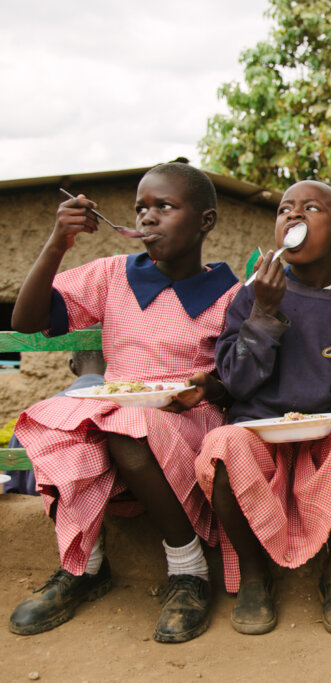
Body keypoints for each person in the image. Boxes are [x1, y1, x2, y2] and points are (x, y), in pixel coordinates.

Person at [8, 162, 239, 643]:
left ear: (206, 221)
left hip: (187, 415)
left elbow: (237, 379)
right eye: (141, 208)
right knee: (54, 429)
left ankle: (188, 569)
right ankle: (84, 567)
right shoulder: (114, 275)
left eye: (165, 206)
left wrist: (208, 386)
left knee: (125, 430)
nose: (149, 217)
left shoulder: (231, 294)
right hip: (115, 407)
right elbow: (28, 320)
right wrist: (58, 243)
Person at [195, 180, 331, 636]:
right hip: (259, 437)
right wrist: (264, 311)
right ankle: (254, 578)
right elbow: (237, 381)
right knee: (222, 443)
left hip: (326, 444)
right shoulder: (250, 296)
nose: (293, 216)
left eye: (310, 209)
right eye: (285, 209)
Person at [3, 348, 105, 495]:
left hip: (41, 508)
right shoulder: (129, 414)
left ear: (72, 365)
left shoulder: (33, 417)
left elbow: (13, 487)